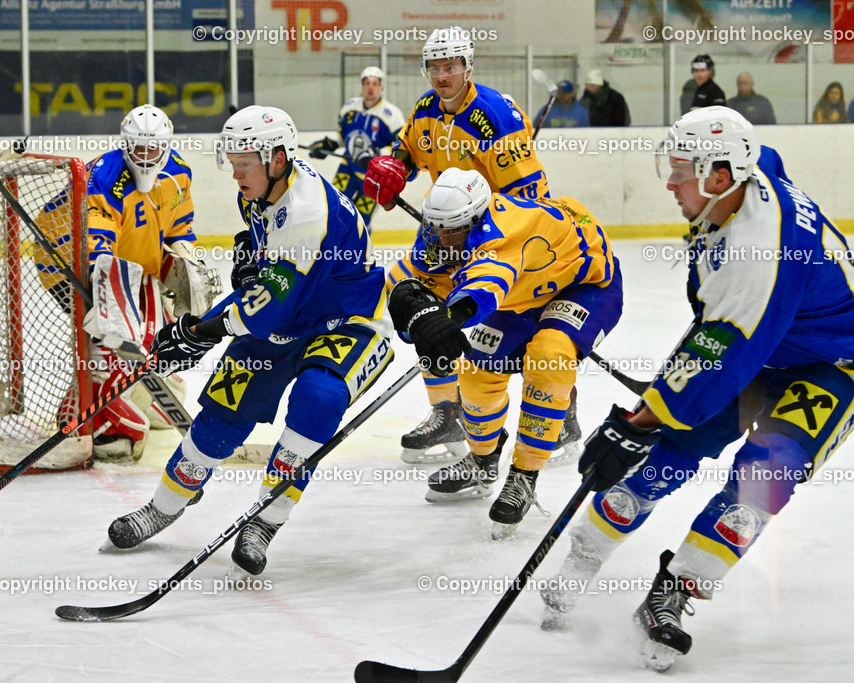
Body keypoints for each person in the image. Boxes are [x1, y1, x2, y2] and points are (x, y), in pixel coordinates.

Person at [541, 107, 854, 672]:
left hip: (833, 363)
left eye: (681, 172)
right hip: (761, 341)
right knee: (667, 454)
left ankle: (675, 591)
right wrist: (650, 422)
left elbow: (724, 353)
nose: (670, 183)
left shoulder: (759, 253)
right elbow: (768, 158)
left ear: (719, 176)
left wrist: (636, 424)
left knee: (764, 475)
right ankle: (584, 556)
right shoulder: (745, 174)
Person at [104, 105, 393, 577]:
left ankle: (266, 520)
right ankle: (164, 506)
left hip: (347, 320)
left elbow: (263, 308)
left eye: (245, 164)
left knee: (319, 398)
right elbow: (266, 284)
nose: (235, 174)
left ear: (277, 159)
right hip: (288, 313)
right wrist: (249, 261)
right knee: (222, 414)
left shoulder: (306, 213)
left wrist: (198, 331)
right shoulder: (259, 191)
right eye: (232, 162)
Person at [363, 26, 580, 466]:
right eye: (435, 67)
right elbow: (407, 151)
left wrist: (501, 246)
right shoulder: (425, 109)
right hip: (442, 232)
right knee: (415, 302)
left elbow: (529, 194)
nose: (442, 75)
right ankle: (447, 410)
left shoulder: (495, 115)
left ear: (468, 66)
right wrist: (394, 170)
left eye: (451, 66)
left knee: (523, 325)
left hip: (497, 238)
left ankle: (563, 417)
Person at [387, 168, 623, 539]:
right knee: (477, 375)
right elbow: (408, 280)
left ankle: (524, 475)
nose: (441, 238)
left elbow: (485, 285)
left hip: (584, 285)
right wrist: (408, 309)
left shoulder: (505, 234)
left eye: (452, 230)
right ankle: (482, 460)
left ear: (476, 220)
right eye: (436, 227)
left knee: (549, 356)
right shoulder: (444, 229)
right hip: (524, 290)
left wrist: (449, 319)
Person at [35, 104, 221, 462]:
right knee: (112, 336)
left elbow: (179, 228)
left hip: (127, 260)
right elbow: (98, 246)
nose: (146, 155)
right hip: (65, 259)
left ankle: (138, 394)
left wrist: (186, 261)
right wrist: (110, 304)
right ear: (125, 143)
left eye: (153, 148)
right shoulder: (105, 176)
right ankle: (85, 415)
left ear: (167, 145)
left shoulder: (178, 173)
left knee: (154, 334)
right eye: (138, 147)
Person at [307, 67, 405, 231]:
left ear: (381, 87)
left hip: (374, 177)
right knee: (333, 208)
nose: (370, 87)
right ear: (362, 86)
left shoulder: (392, 115)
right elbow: (343, 136)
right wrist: (329, 145)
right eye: (367, 83)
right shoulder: (350, 107)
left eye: (375, 83)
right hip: (348, 169)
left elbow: (400, 147)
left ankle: (360, 246)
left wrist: (377, 157)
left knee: (360, 221)